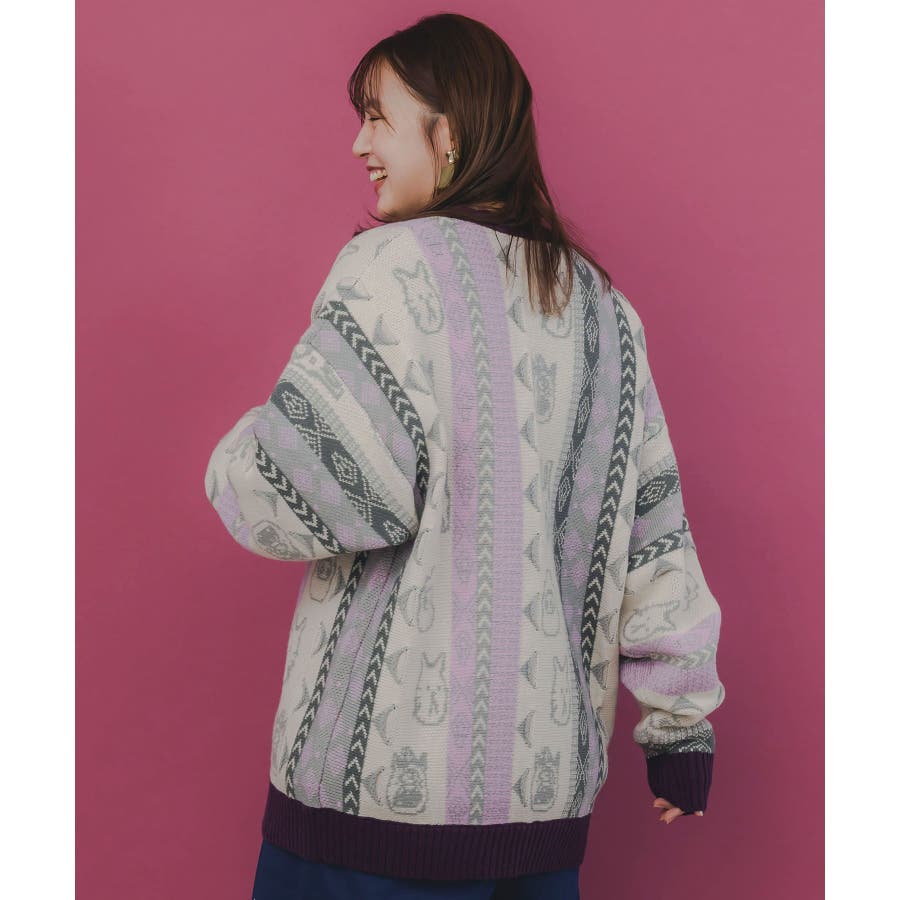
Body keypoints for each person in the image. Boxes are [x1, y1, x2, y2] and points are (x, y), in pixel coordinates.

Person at [204, 12, 726, 900]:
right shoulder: (604, 309)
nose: (359, 144)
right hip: (540, 807)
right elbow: (653, 531)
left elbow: (302, 490)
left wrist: (234, 456)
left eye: (378, 117)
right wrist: (681, 727)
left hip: (374, 818)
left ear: (449, 134)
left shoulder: (393, 267)